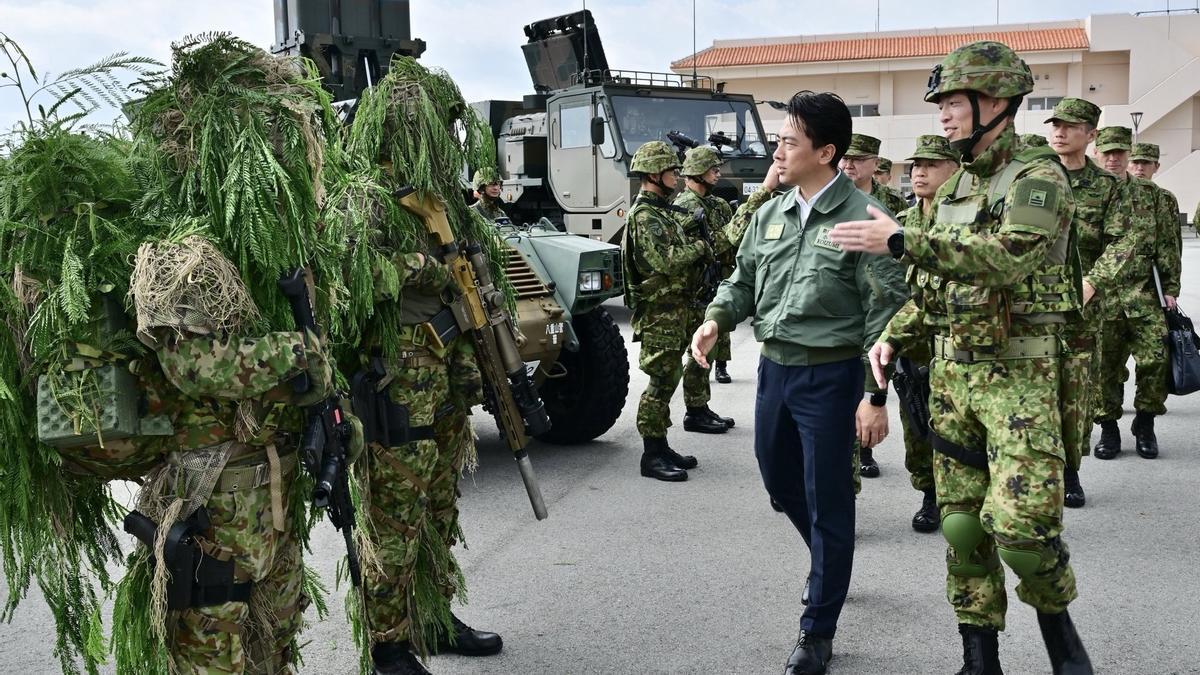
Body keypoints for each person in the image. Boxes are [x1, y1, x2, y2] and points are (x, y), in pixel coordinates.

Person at [828, 41, 1094, 674]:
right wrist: (896, 333)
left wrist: (901, 240)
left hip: (1021, 376)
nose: (943, 115)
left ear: (995, 101)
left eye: (953, 102)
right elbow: (935, 289)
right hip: (953, 378)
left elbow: (1009, 259)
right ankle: (979, 657)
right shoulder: (956, 186)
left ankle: (1061, 638)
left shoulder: (1037, 177)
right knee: (963, 528)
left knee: (1024, 532)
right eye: (941, 103)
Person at [691, 91, 904, 675]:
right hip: (775, 369)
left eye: (789, 141)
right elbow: (741, 281)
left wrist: (875, 395)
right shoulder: (771, 213)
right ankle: (830, 560)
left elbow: (885, 314)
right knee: (778, 478)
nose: (778, 152)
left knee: (827, 493)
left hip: (832, 374)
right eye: (780, 140)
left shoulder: (867, 220)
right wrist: (716, 319)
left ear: (825, 152)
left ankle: (818, 629)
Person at [343, 60, 504, 674]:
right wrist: (427, 269)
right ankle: (388, 643)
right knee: (393, 518)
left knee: (438, 509)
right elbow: (353, 277)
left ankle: (433, 617)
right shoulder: (366, 198)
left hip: (440, 379)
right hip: (396, 382)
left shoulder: (438, 201)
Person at [1046, 99, 1140, 507]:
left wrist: (1093, 282)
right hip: (1031, 307)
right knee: (1028, 392)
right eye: (1056, 124)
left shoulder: (1109, 187)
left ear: (1091, 134)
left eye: (1070, 126)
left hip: (1081, 311)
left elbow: (1124, 241)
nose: (1060, 132)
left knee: (1074, 395)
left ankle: (1070, 470)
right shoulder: (1034, 176)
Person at [623, 140, 713, 481]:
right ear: (653, 174)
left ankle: (661, 446)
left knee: (670, 377)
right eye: (671, 171)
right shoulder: (645, 216)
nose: (677, 176)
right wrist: (700, 247)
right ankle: (651, 455)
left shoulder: (661, 211)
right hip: (660, 312)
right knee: (660, 382)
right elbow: (665, 261)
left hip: (674, 309)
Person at [1092, 128, 1180, 460]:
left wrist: (1170, 289)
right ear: (1097, 153)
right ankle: (1108, 429)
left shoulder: (1153, 195)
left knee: (1156, 360)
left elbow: (1168, 244)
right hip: (1102, 296)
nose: (1113, 158)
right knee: (1104, 369)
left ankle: (1145, 423)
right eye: (1107, 152)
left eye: (1120, 152)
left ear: (1128, 154)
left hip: (1143, 294)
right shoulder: (1086, 192)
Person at [895, 134, 959, 532]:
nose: (920, 172)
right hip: (912, 342)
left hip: (955, 342)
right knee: (917, 422)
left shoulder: (963, 223)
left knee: (957, 425)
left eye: (931, 164)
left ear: (954, 169)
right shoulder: (902, 223)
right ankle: (929, 493)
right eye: (916, 164)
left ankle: (960, 498)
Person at [839, 133, 908, 479]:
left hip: (880, 296)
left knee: (871, 374)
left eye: (858, 159)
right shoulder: (832, 197)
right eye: (846, 158)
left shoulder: (891, 202)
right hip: (844, 300)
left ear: (875, 164)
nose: (849, 164)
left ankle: (864, 448)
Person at [675, 146, 738, 429]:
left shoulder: (717, 204)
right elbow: (714, 244)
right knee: (697, 353)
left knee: (708, 352)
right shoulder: (685, 206)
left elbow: (730, 244)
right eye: (713, 169)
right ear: (698, 172)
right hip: (694, 291)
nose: (718, 173)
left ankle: (701, 407)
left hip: (714, 286)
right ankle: (694, 411)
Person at [1128, 142, 1183, 257]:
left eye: (1146, 163)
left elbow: (1174, 240)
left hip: (1151, 264)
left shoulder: (1166, 198)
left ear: (1156, 167)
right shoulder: (1115, 194)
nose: (1140, 168)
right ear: (1127, 164)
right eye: (1135, 162)